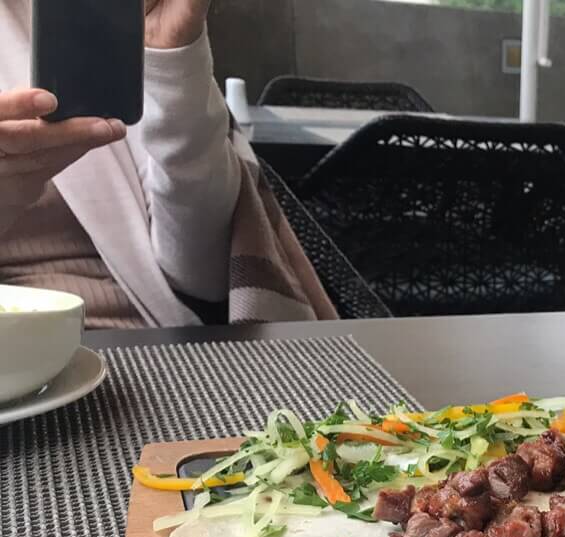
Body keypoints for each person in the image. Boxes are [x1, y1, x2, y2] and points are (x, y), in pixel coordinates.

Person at [0, 0, 334, 327]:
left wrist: (175, 62)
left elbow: (205, 279)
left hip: (162, 339)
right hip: (21, 348)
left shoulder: (106, 23)